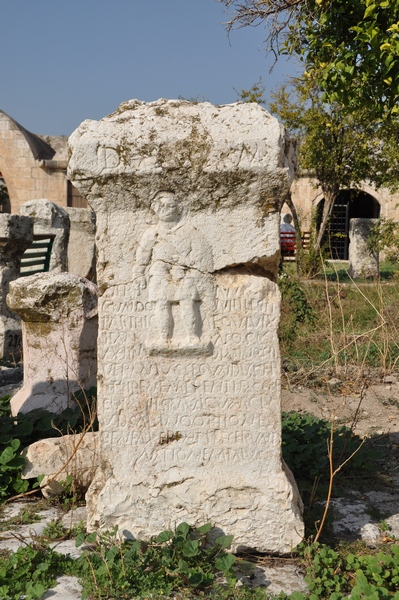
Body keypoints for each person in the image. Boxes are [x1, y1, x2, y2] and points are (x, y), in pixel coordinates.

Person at [134, 191, 212, 345]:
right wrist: (139, 274)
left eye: (170, 206)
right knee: (162, 303)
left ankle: (192, 336)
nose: (165, 210)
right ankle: (164, 338)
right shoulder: (151, 233)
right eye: (161, 206)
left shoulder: (189, 231)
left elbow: (200, 253)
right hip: (159, 272)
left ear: (178, 208)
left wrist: (189, 265)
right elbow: (143, 256)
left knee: (187, 302)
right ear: (155, 209)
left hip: (184, 272)